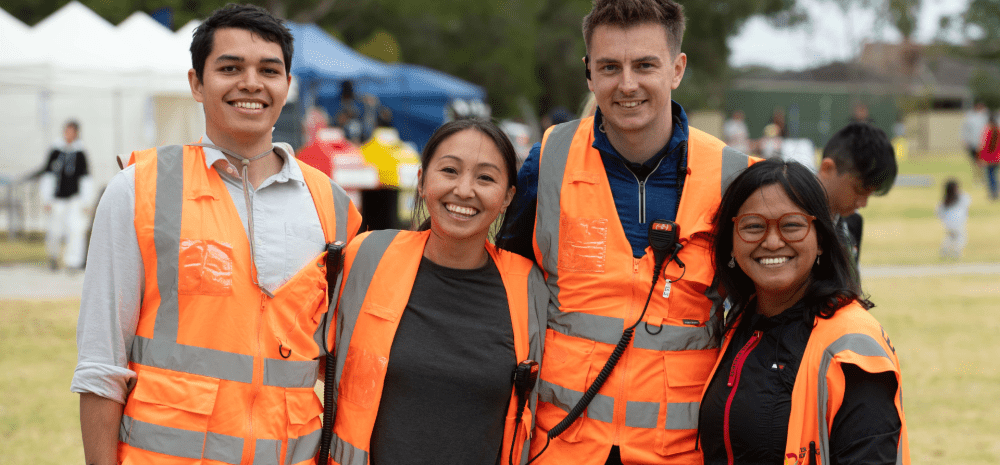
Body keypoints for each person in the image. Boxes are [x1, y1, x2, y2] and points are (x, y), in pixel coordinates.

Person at [71, 5, 362, 465]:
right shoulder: (139, 189)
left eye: (269, 70)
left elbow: (346, 366)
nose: (251, 83)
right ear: (196, 84)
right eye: (230, 68)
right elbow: (100, 367)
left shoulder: (334, 206)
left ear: (287, 86)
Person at [498, 0, 756, 463]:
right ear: (589, 74)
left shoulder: (733, 177)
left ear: (677, 69)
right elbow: (501, 285)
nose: (627, 84)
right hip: (559, 448)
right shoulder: (548, 162)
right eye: (610, 67)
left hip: (681, 453)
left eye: (645, 65)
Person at [328, 119, 548, 465]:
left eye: (485, 178)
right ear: (421, 182)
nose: (463, 190)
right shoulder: (367, 257)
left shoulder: (528, 286)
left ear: (507, 197)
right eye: (449, 170)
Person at [699, 159, 909, 465]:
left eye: (792, 225)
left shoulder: (851, 345)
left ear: (821, 238)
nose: (772, 242)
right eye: (753, 226)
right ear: (731, 241)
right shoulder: (741, 323)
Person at [816, 123, 898, 268]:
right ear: (827, 169)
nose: (863, 203)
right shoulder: (789, 219)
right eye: (859, 190)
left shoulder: (853, 223)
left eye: (870, 194)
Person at [38, 119, 91, 271]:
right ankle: (53, 257)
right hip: (57, 199)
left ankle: (73, 261)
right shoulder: (55, 151)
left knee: (75, 230)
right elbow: (48, 175)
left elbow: (86, 178)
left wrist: (86, 201)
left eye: (72, 131)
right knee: (54, 230)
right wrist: (46, 198)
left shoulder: (80, 153)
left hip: (74, 199)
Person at [936, 179, 971, 259]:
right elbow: (968, 201)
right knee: (961, 238)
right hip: (958, 223)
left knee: (950, 237)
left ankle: (945, 250)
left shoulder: (945, 200)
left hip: (947, 224)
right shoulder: (961, 198)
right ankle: (955, 252)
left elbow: (939, 212)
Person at [962, 101, 989, 180]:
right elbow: (965, 129)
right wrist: (965, 140)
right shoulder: (970, 116)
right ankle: (977, 177)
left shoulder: (987, 115)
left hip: (984, 143)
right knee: (975, 161)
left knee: (983, 161)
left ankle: (983, 177)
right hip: (973, 143)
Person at [978, 114, 1000, 200]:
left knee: (990, 176)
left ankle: (993, 192)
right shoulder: (998, 131)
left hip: (989, 158)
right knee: (995, 175)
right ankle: (996, 191)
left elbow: (984, 146)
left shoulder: (988, 132)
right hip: (997, 158)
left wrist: (981, 158)